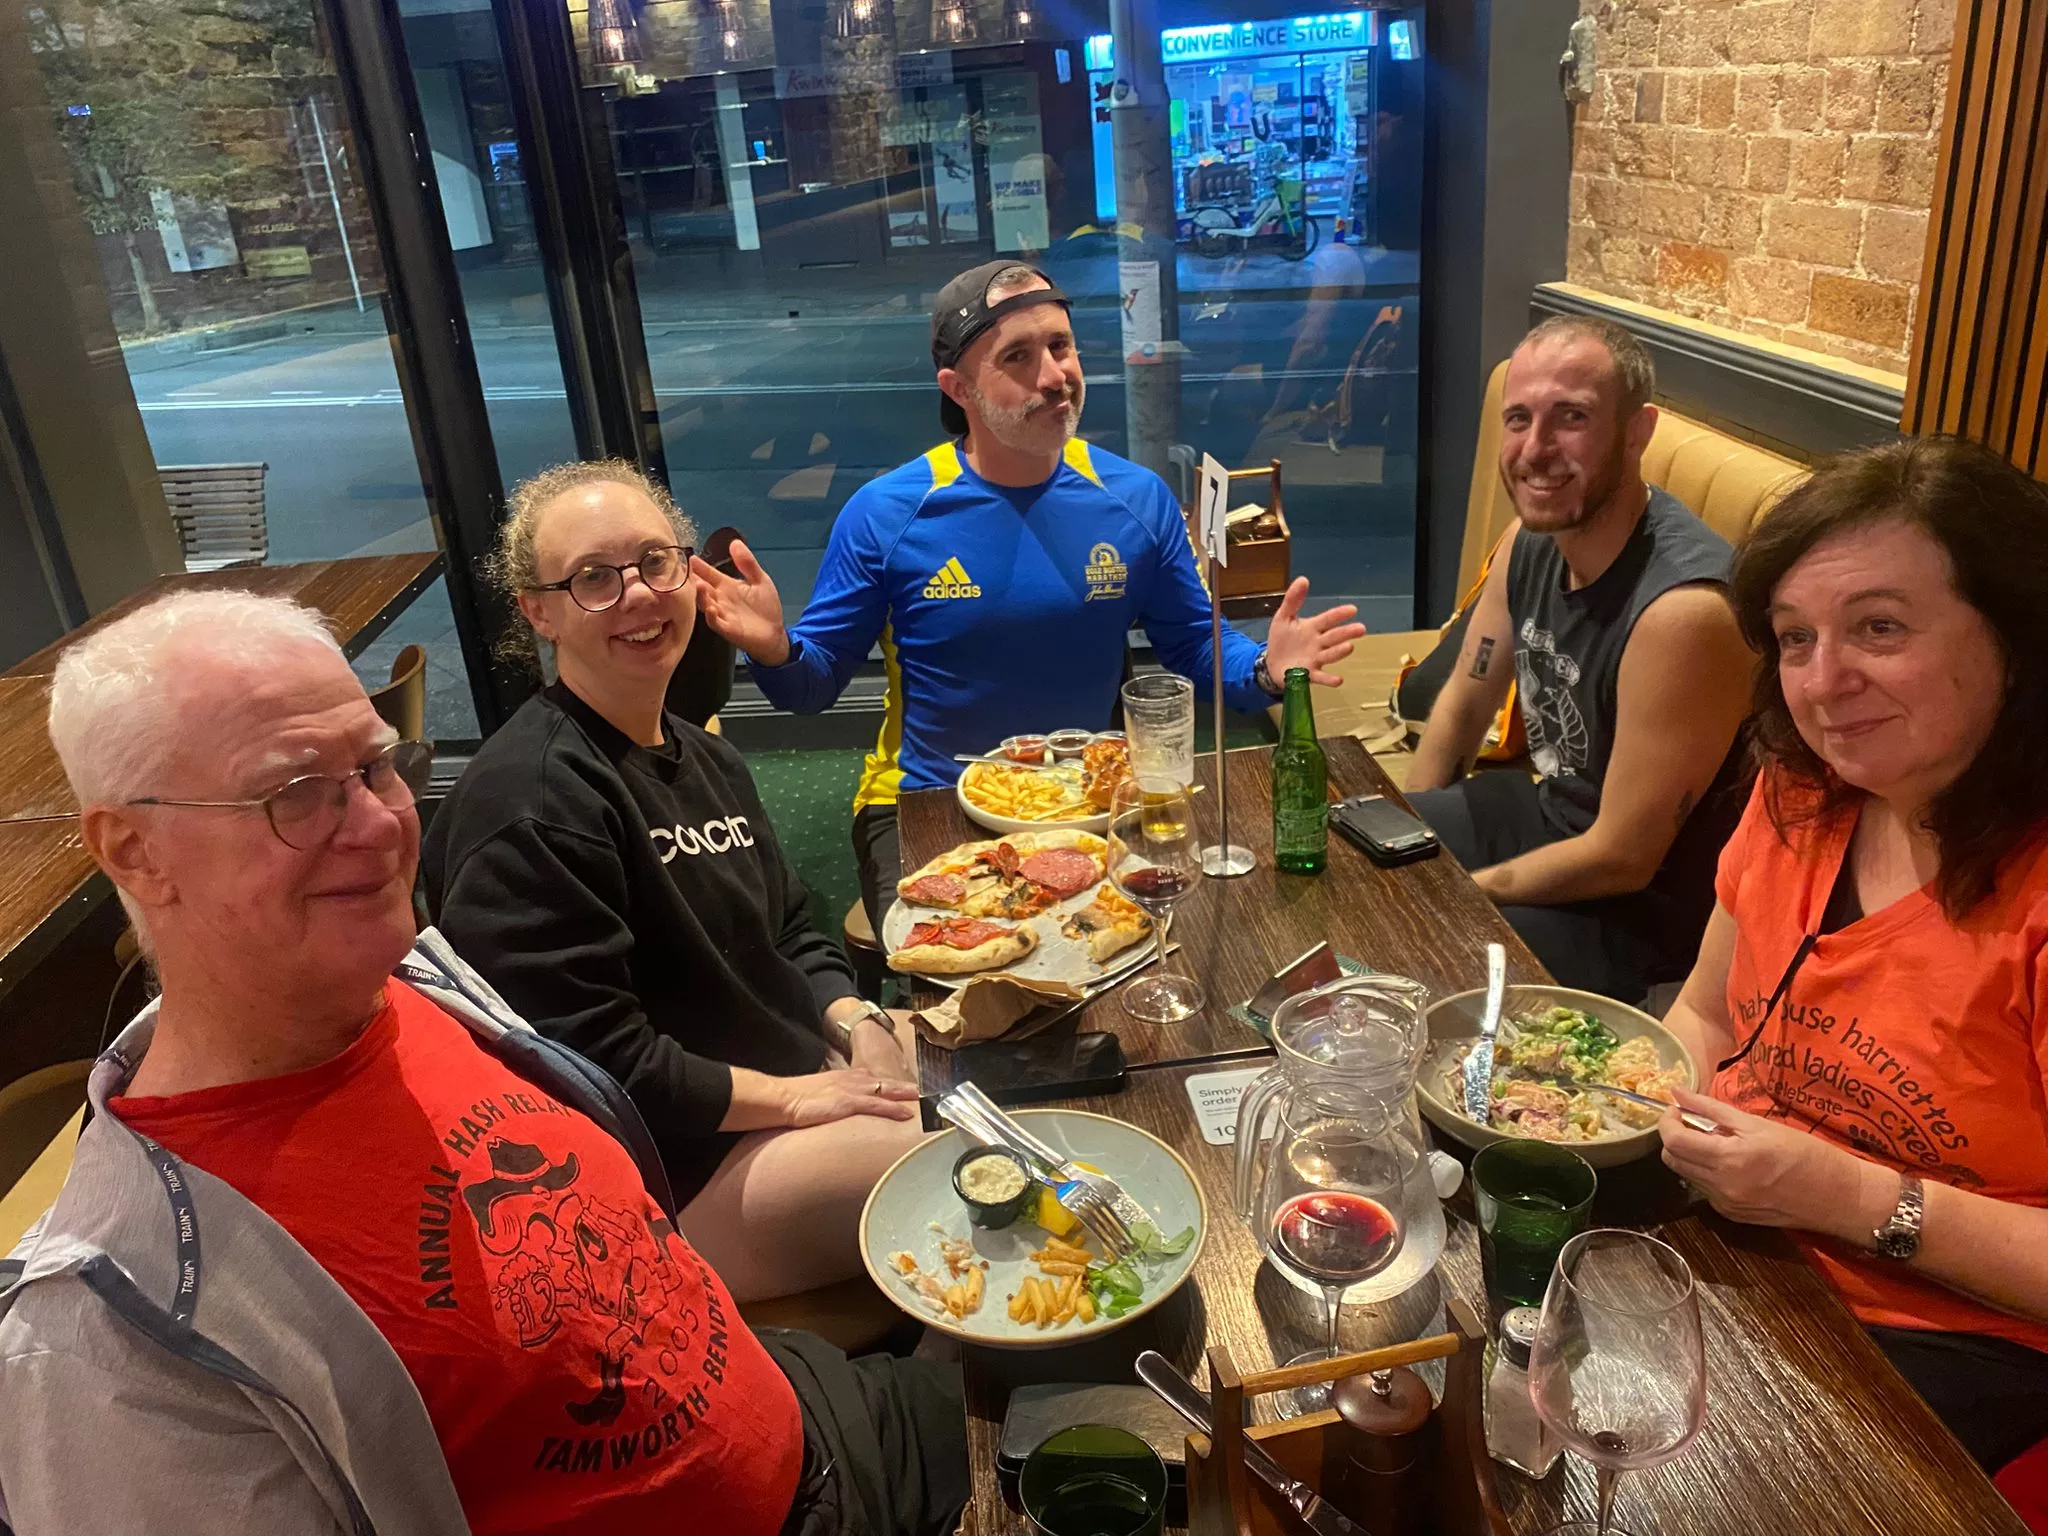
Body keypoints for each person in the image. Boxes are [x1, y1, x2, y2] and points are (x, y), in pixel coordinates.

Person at [0, 590, 966, 1536]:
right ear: (135, 850)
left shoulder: (425, 988)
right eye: (295, 794)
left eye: (378, 767)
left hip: (798, 1407)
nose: (380, 826)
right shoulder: (110, 1348)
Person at [690, 259, 1367, 929]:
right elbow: (810, 688)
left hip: (1087, 799)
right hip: (926, 799)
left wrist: (1266, 668)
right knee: (966, 971)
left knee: (1171, 948)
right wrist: (775, 649)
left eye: (1061, 346)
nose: (1054, 376)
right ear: (958, 388)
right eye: (1017, 357)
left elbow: (1193, 643)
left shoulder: (1134, 500)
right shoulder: (886, 514)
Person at [423, 461, 924, 1304]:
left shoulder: (706, 755)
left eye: (655, 562)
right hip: (666, 1180)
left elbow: (789, 927)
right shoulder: (532, 805)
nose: (638, 595)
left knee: (1004, 1066)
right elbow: (594, 1065)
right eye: (593, 578)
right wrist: (797, 1099)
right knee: (957, 1153)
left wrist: (857, 1020)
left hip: (787, 1081)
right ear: (539, 611)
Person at [1653, 437, 2048, 1480]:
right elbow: (1704, 1014)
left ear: (2015, 637)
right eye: (1795, 638)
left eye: (1878, 627)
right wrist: (1608, 1115)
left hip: (1954, 1336)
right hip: (1742, 1237)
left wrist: (1846, 1197)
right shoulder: (1801, 790)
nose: (1823, 684)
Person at [1402, 315, 1754, 1000]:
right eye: (1518, 419)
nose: (1536, 449)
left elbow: (1624, 857)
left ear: (1638, 431)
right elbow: (1467, 703)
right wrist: (1405, 830)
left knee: (1433, 966)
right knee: (1354, 851)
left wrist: (1456, 895)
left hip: (1644, 911)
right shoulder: (1529, 539)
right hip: (1549, 815)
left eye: (1572, 417)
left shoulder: (1684, 612)